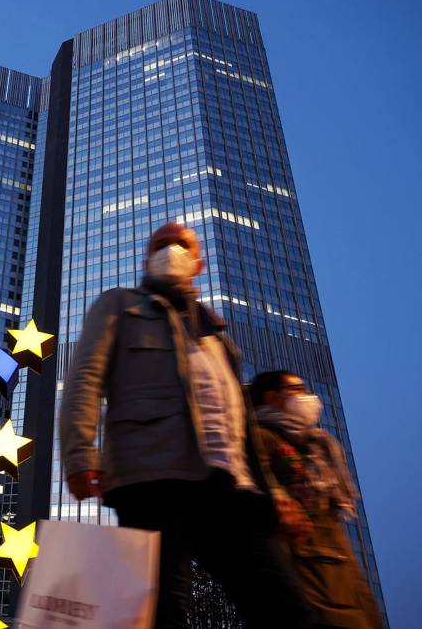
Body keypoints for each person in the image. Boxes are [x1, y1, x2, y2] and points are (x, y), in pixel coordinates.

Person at [58, 222, 308, 628]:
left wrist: (274, 492)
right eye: (161, 244)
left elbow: (242, 428)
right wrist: (80, 452)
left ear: (198, 263)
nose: (171, 249)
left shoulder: (219, 335)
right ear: (145, 258)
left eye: (181, 244)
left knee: (281, 606)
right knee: (163, 610)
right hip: (152, 477)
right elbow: (85, 377)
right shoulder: (120, 305)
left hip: (230, 486)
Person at [251, 371, 383, 629]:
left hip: (343, 581)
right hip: (307, 583)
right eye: (296, 389)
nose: (307, 396)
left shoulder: (317, 446)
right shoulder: (262, 438)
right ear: (271, 397)